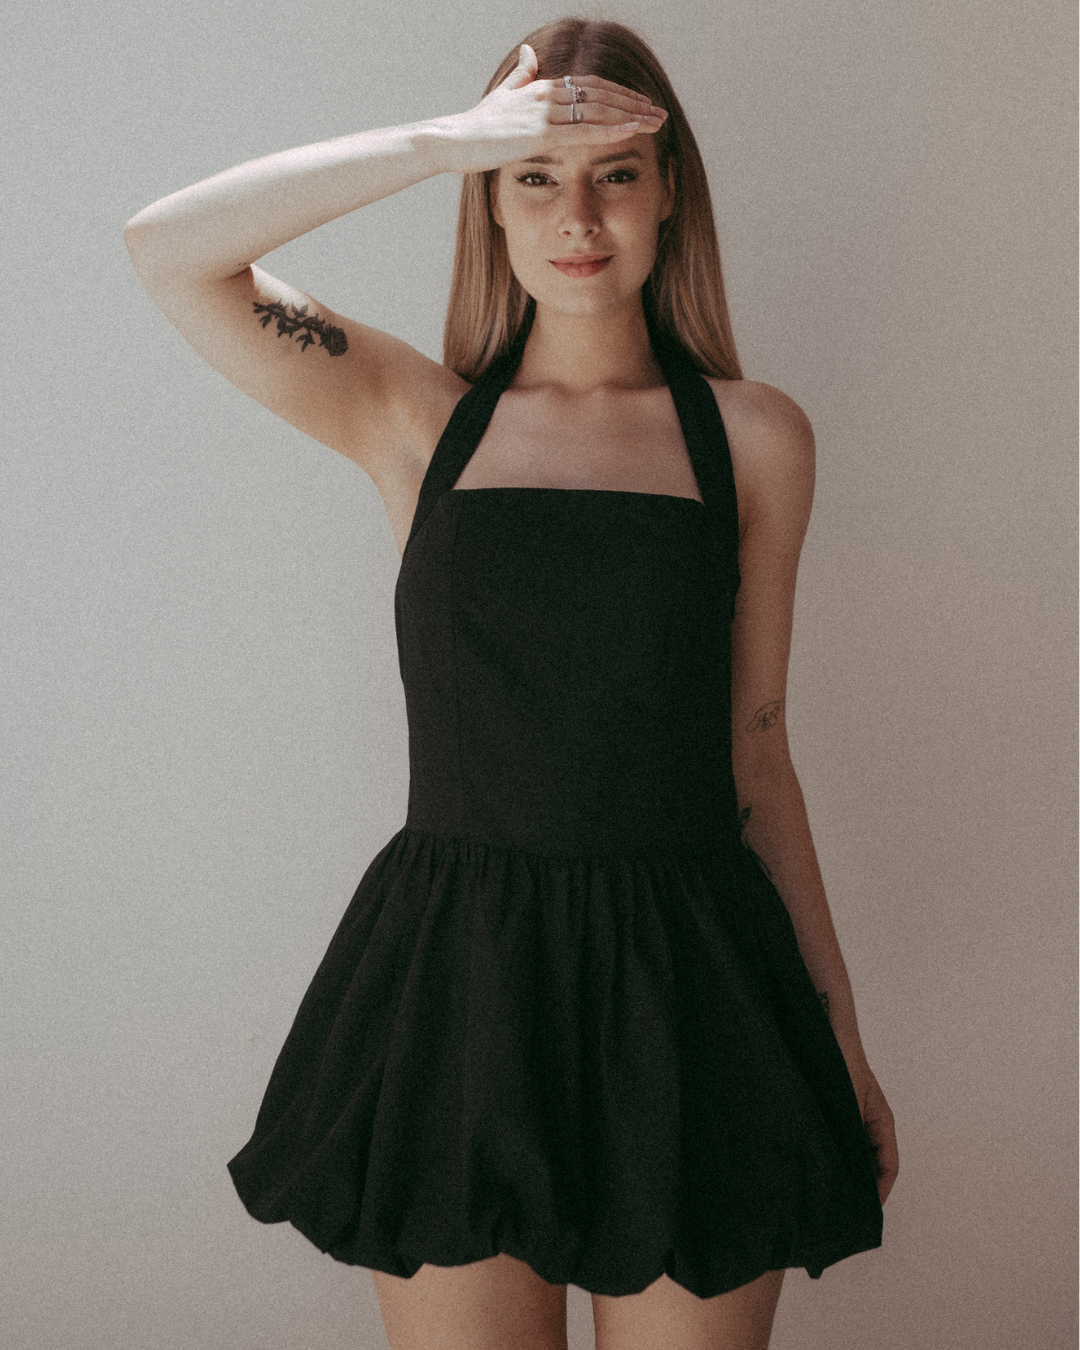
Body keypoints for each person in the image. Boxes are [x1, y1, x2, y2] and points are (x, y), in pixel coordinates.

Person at [124, 17, 899, 1350]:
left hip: (694, 991)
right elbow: (169, 249)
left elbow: (758, 750)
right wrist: (449, 140)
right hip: (458, 990)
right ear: (489, 202)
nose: (576, 215)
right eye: (534, 176)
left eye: (614, 173)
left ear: (670, 194)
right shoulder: (414, 417)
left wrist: (842, 1042)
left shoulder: (756, 439)